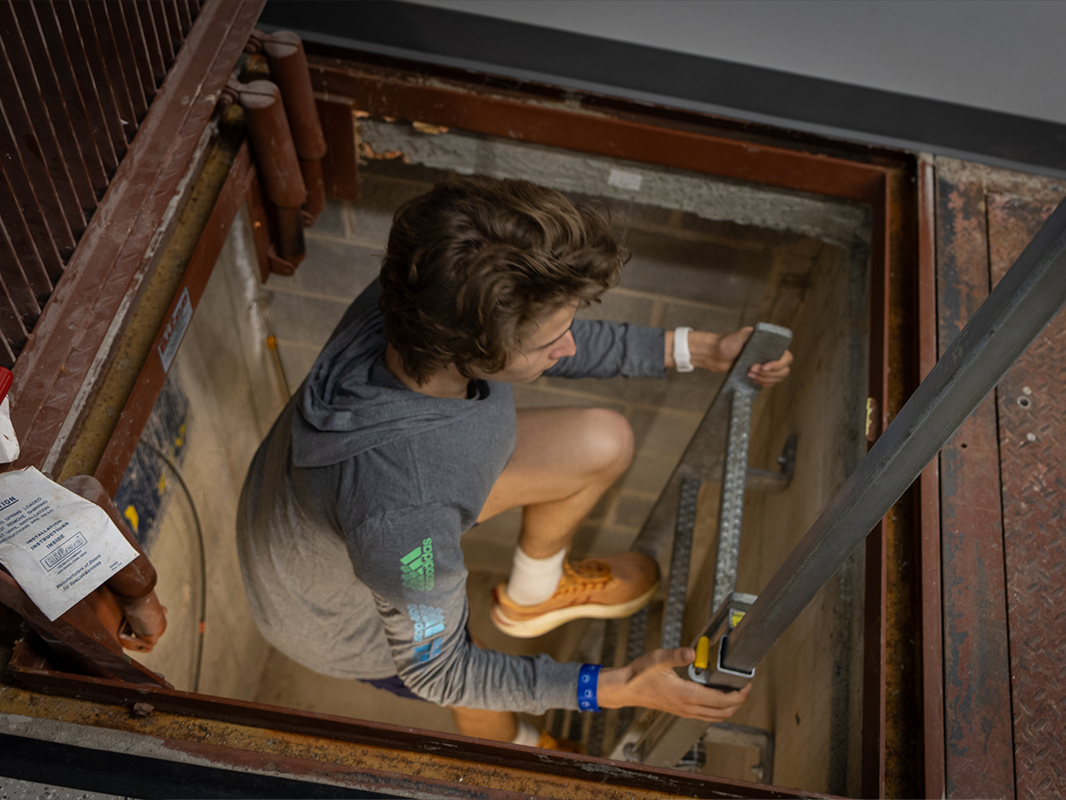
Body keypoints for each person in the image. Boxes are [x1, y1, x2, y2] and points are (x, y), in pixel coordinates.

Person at [237, 176, 792, 749]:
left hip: (326, 511)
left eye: (566, 324)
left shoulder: (417, 295)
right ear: (476, 351)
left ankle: (534, 592)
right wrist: (618, 684)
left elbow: (542, 332)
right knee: (465, 661)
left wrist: (699, 349)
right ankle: (518, 748)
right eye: (547, 343)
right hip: (336, 615)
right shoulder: (409, 526)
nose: (568, 347)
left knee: (602, 439)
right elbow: (441, 672)